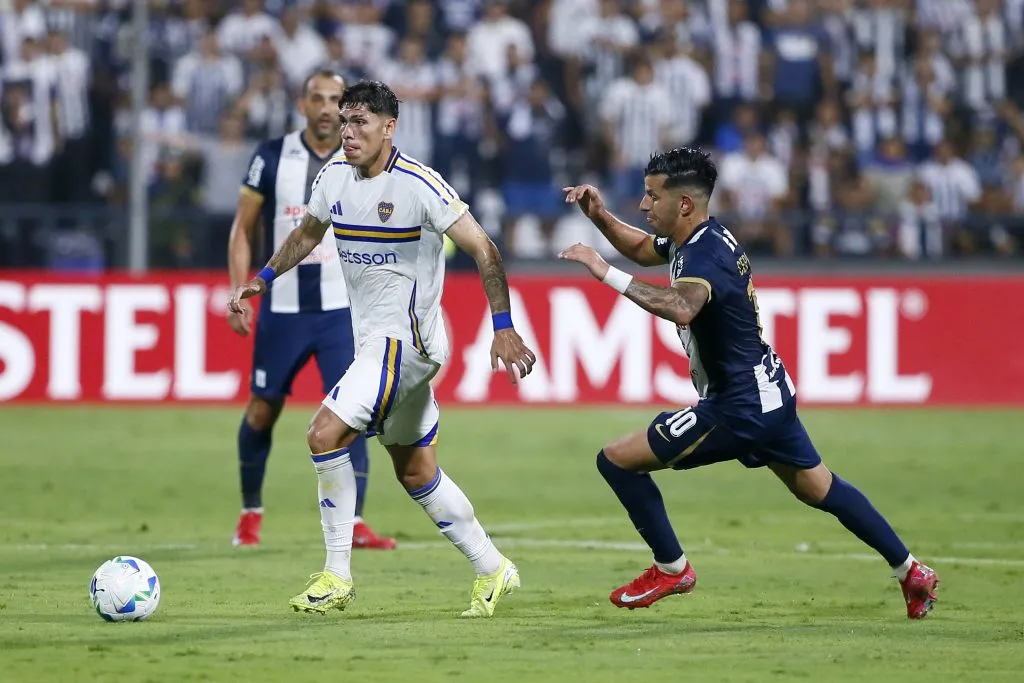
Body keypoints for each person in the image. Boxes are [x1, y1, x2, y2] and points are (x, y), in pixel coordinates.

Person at [558, 147, 940, 620]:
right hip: (768, 390)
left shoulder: (706, 253)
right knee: (819, 487)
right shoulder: (697, 235)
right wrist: (599, 216)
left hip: (738, 406)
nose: (643, 205)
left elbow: (681, 307)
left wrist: (604, 272)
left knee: (616, 460)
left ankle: (671, 568)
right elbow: (642, 247)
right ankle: (911, 571)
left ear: (682, 204)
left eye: (651, 196)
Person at [228, 80, 537, 618]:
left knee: (323, 432)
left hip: (406, 343)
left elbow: (484, 247)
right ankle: (494, 569)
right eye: (344, 122)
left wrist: (503, 326)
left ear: (389, 127)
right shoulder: (334, 178)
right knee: (416, 471)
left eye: (360, 123)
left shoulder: (420, 184)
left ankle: (336, 574)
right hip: (383, 342)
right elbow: (307, 232)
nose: (347, 133)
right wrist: (265, 276)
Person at [227, 69, 395, 550]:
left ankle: (356, 521)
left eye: (335, 100)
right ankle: (250, 515)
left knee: (354, 413)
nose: (326, 108)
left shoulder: (364, 161)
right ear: (302, 105)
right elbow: (242, 228)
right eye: (317, 99)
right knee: (262, 410)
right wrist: (241, 289)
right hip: (283, 309)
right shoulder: (272, 155)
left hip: (341, 312)